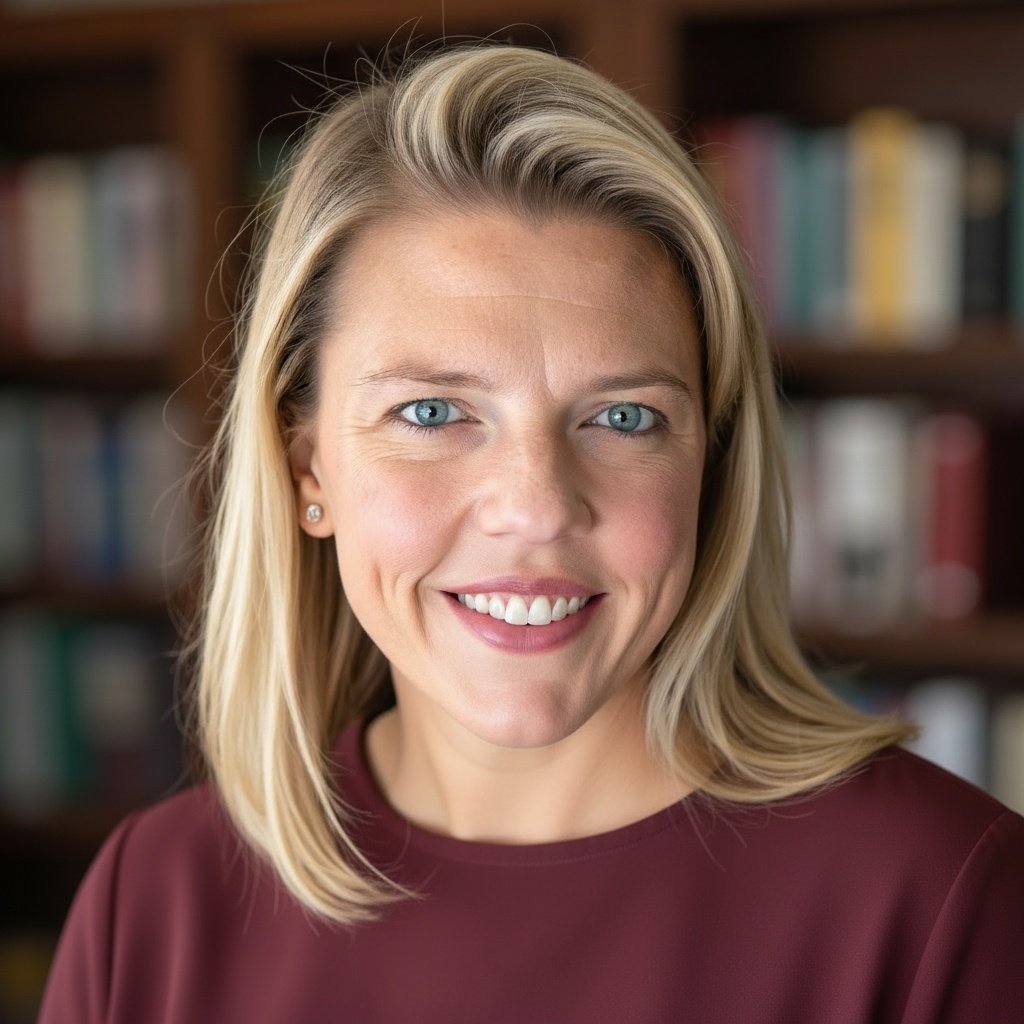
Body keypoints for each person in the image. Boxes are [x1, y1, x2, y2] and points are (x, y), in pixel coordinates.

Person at [40, 43, 1024, 1023]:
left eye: (624, 417)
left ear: (710, 467)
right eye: (431, 412)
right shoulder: (154, 901)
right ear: (309, 473)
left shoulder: (941, 896)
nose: (537, 505)